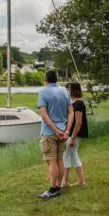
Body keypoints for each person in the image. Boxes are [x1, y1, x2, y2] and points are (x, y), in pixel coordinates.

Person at [36, 69, 73, 199]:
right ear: (56, 79)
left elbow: (44, 115)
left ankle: (52, 190)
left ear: (45, 80)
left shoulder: (43, 92)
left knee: (51, 161)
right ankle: (58, 187)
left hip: (49, 132)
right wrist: (67, 130)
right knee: (60, 160)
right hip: (63, 131)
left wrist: (55, 130)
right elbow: (71, 112)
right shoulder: (64, 91)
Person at [61, 82, 88, 188]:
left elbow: (79, 122)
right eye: (66, 88)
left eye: (69, 88)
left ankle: (64, 182)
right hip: (69, 133)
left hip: (74, 134)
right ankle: (81, 181)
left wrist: (72, 138)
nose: (67, 90)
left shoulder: (79, 103)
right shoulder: (70, 102)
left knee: (65, 156)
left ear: (74, 90)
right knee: (73, 156)